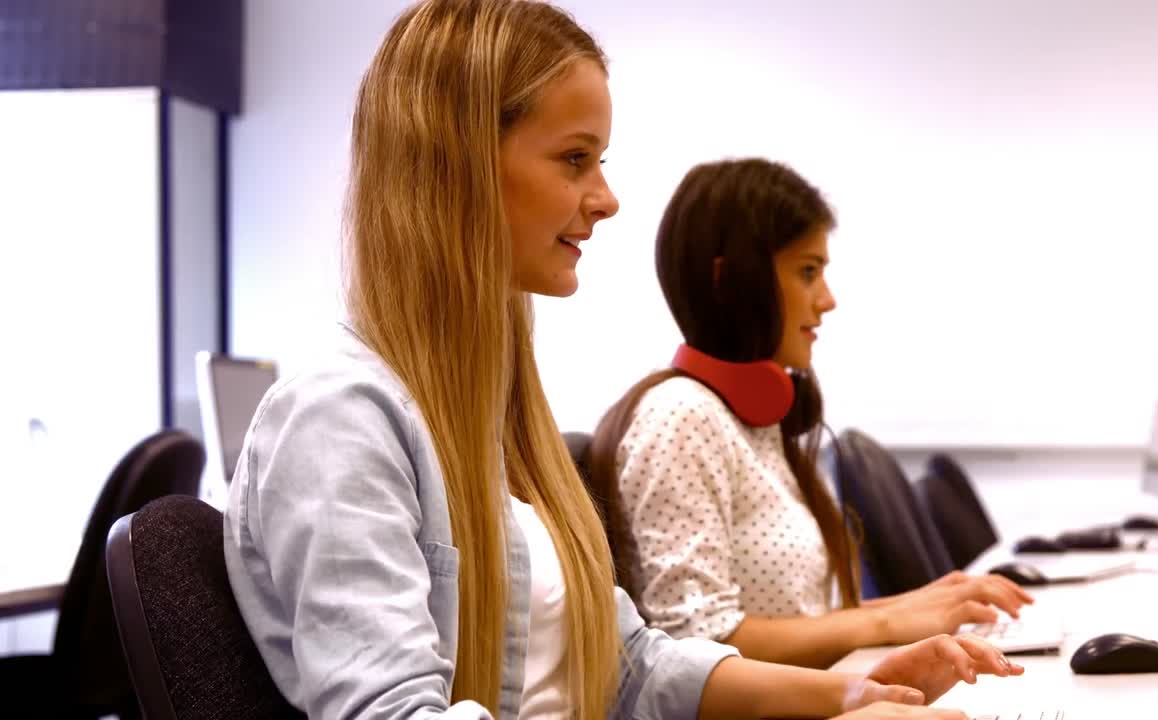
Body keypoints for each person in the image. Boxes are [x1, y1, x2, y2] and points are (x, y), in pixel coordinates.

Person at [224, 2, 1020, 718]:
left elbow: (629, 666)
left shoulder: (497, 418)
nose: (606, 197)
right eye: (575, 159)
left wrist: (852, 692)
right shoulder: (339, 420)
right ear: (456, 164)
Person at [589, 158, 1034, 670]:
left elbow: (796, 617)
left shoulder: (746, 421)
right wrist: (886, 622)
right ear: (732, 282)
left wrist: (923, 605)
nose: (827, 301)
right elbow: (698, 641)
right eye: (807, 272)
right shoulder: (681, 418)